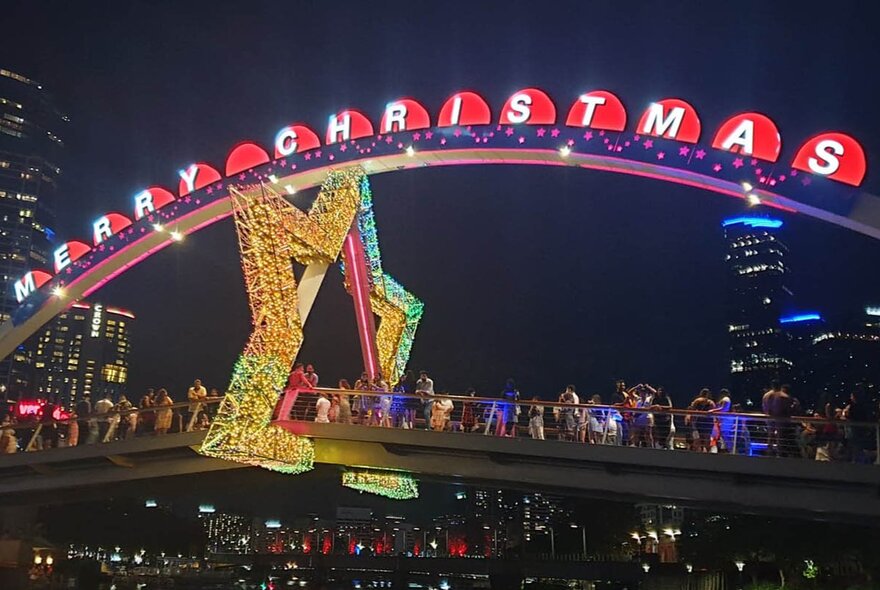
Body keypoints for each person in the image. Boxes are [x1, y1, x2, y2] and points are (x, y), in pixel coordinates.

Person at [762, 380, 792, 457]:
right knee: (779, 436)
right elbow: (788, 410)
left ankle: (769, 452)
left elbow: (764, 408)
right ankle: (779, 453)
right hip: (780, 417)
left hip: (769, 417)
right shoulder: (783, 396)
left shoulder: (766, 395)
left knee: (770, 435)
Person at [710, 389, 740, 454]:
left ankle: (731, 451)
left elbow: (724, 409)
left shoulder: (726, 399)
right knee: (720, 435)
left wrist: (713, 411)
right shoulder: (726, 399)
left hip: (725, 420)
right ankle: (727, 450)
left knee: (725, 435)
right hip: (722, 420)